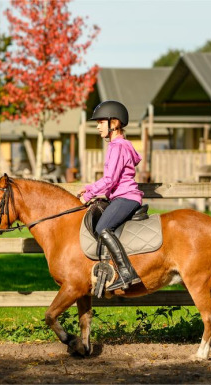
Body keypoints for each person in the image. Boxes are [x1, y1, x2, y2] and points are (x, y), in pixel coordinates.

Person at [77, 100, 143, 291]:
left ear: (113, 123)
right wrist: (90, 187)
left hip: (126, 197)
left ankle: (126, 271)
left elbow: (110, 179)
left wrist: (88, 195)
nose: (97, 127)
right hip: (123, 196)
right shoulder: (124, 145)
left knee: (103, 227)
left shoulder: (117, 147)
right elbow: (113, 178)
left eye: (100, 122)